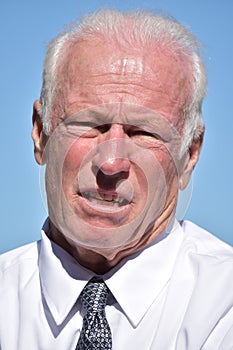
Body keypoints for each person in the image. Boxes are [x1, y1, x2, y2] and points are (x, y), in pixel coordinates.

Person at [0, 9, 233, 350]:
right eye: (90, 125)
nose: (110, 163)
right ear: (40, 133)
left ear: (190, 155)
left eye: (144, 132)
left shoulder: (222, 307)